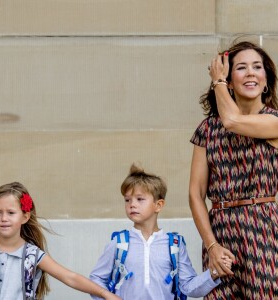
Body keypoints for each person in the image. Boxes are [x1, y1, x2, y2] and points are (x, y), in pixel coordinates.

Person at [189, 40, 278, 299]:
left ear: (265, 79)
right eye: (241, 67)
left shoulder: (273, 121)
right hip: (220, 233)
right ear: (230, 81)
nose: (251, 72)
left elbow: (232, 121)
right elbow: (195, 194)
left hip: (263, 230)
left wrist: (217, 80)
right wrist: (211, 245)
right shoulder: (208, 129)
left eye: (257, 67)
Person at [90, 163, 232, 299]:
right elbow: (96, 280)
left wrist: (214, 273)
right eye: (127, 200)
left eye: (140, 199)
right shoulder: (118, 243)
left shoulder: (175, 245)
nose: (132, 204)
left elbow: (188, 286)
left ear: (158, 205)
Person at [0, 182, 121, 300]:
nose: (3, 218)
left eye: (11, 213)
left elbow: (70, 277)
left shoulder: (32, 254)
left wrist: (104, 293)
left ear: (25, 217)